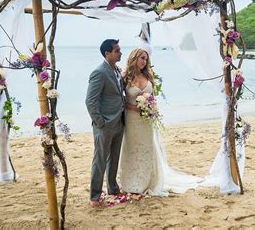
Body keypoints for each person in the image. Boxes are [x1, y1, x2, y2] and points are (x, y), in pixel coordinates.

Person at [119, 48, 202, 196]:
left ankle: (147, 181)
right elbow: (119, 100)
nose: (144, 61)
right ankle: (131, 181)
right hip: (131, 120)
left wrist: (152, 110)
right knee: (131, 148)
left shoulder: (149, 77)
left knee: (147, 148)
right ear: (134, 58)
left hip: (146, 121)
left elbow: (153, 99)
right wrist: (134, 107)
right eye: (142, 58)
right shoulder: (124, 77)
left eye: (146, 59)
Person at [85, 39, 125, 208]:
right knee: (100, 160)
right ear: (107, 53)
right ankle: (94, 196)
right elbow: (90, 101)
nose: (120, 53)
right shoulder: (99, 72)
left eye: (119, 49)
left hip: (119, 121)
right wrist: (100, 122)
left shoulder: (117, 70)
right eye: (117, 50)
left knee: (114, 158)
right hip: (105, 124)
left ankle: (113, 188)